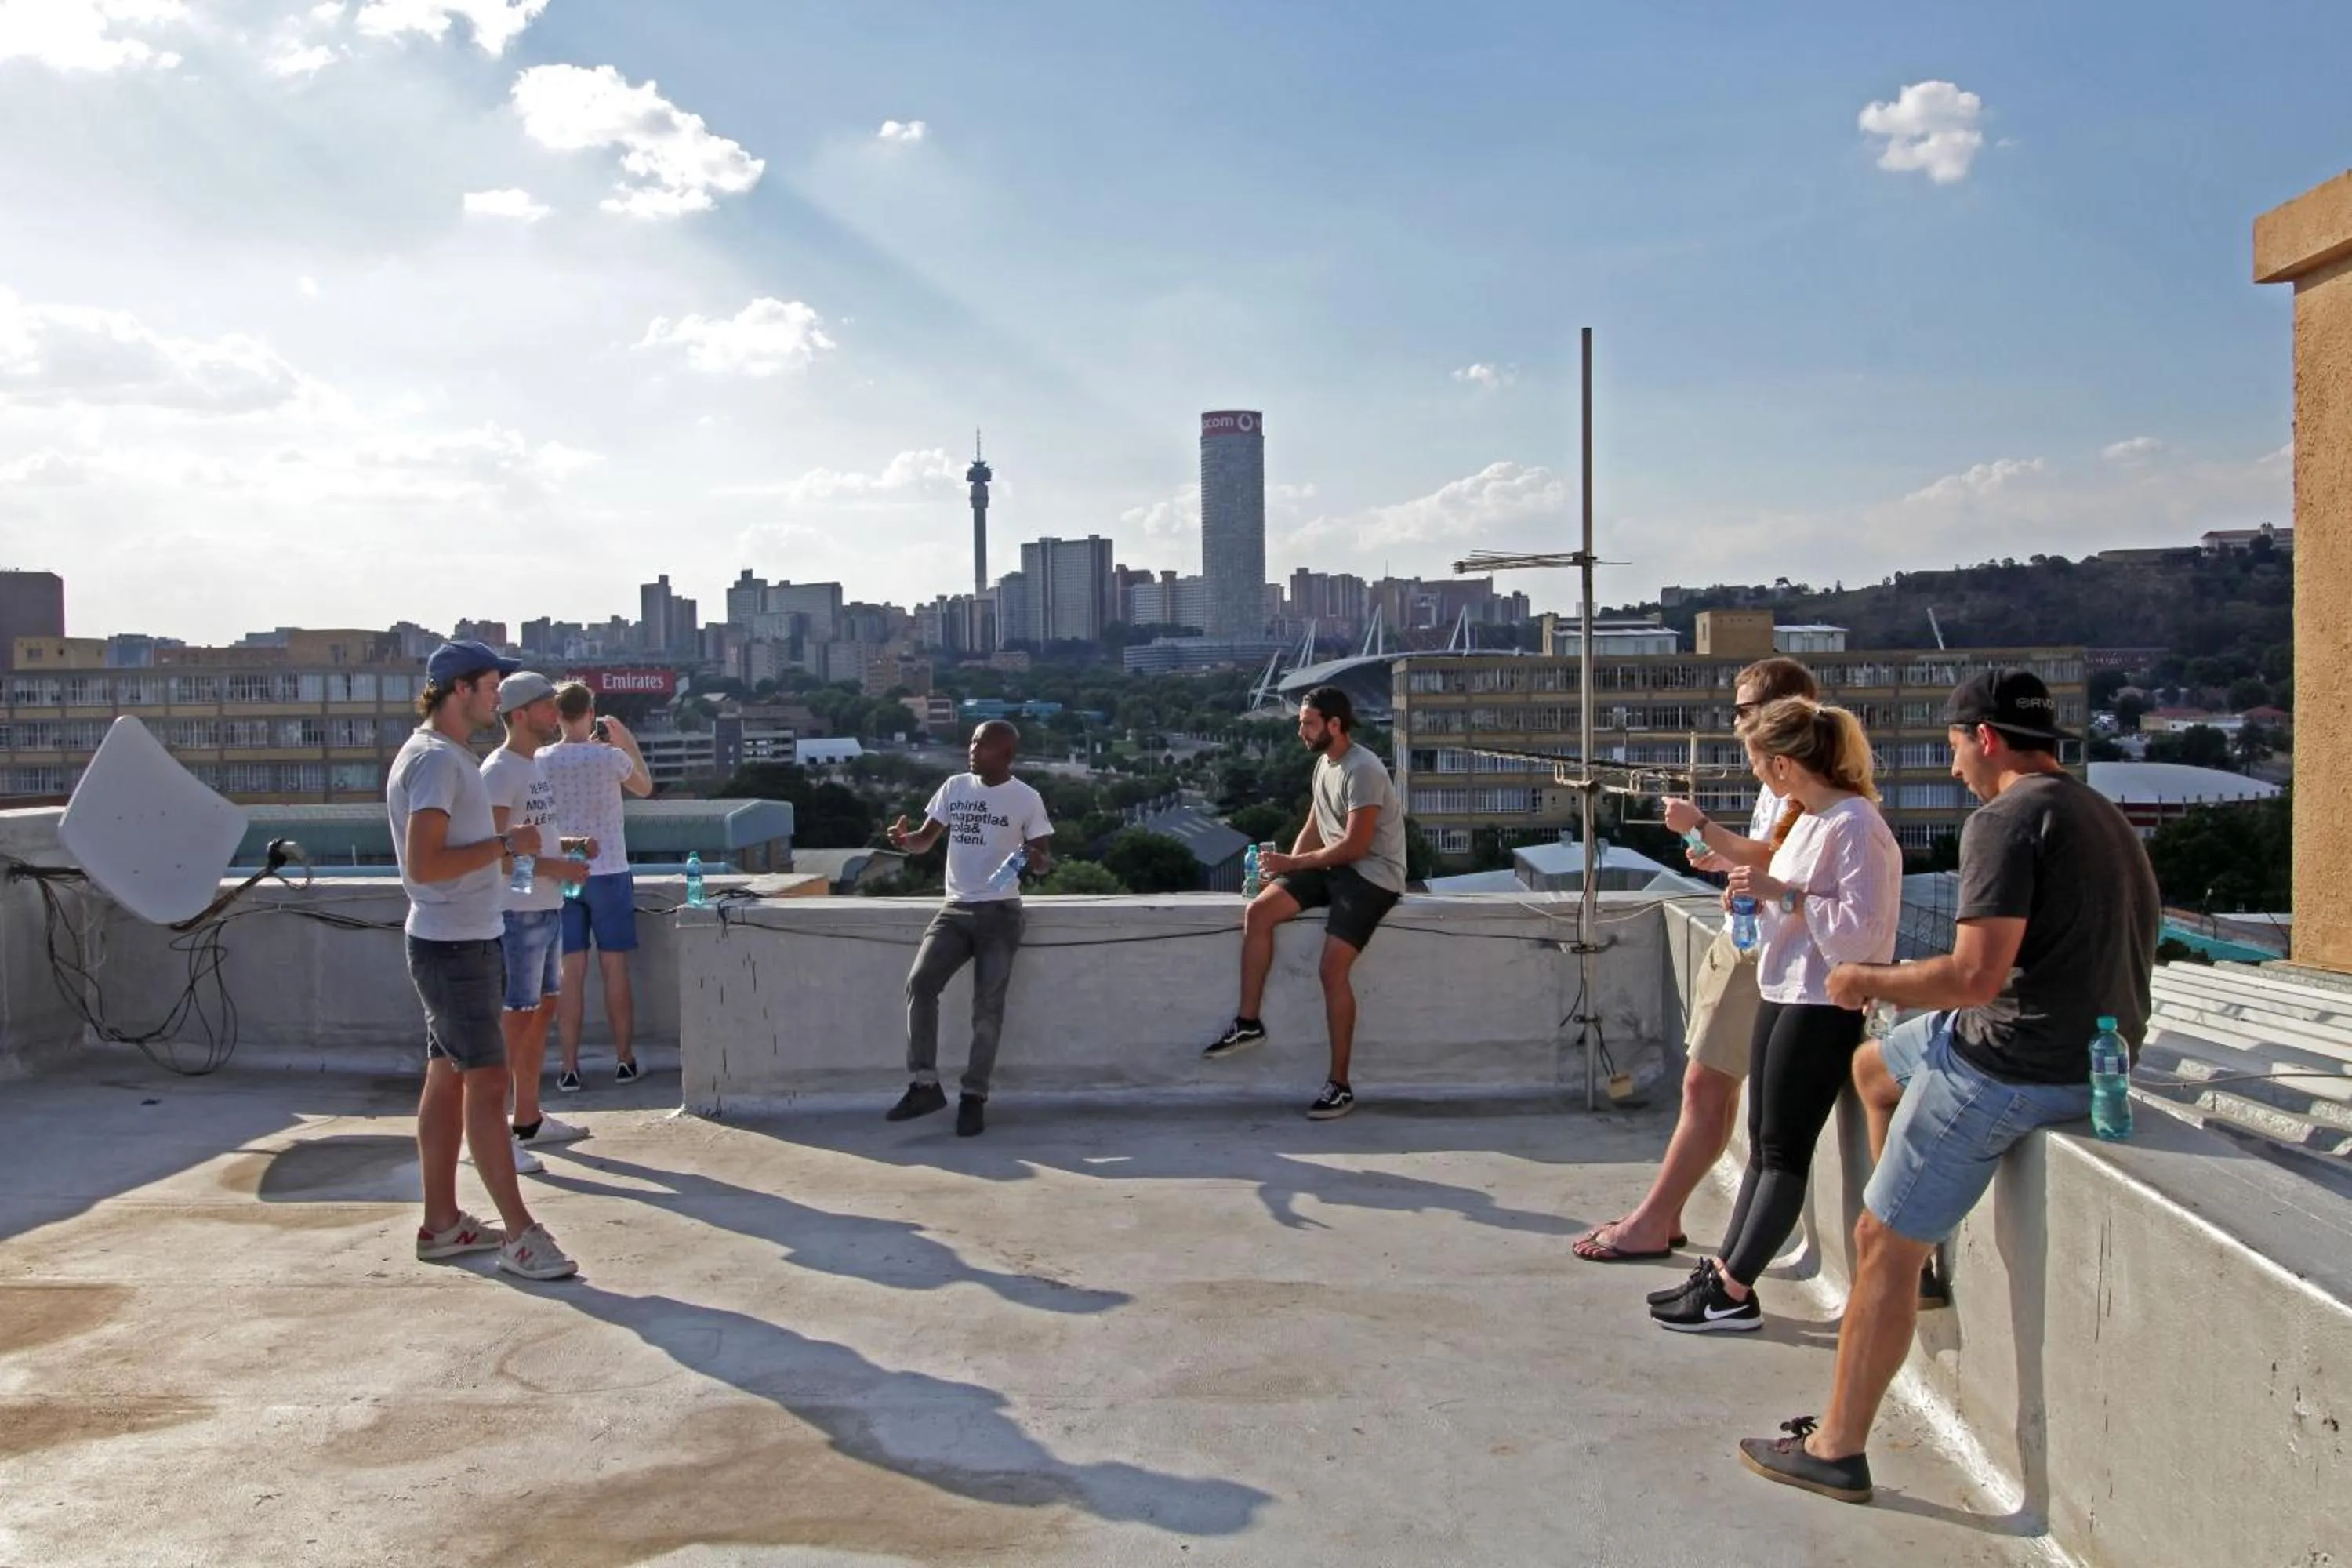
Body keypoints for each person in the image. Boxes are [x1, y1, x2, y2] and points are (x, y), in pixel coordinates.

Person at [1738, 670, 2158, 1504]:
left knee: (1876, 1239)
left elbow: (1972, 978)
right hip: (2091, 1047)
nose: (1955, 761)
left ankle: (1837, 1446)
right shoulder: (2100, 811)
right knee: (1871, 1067)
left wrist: (1867, 977)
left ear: (1988, 738)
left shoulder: (2005, 820)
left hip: (2012, 1063)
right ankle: (1922, 1258)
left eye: (1957, 743)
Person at [1648, 698, 1902, 1333]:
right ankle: (1726, 1270)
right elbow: (1791, 907)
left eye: (1760, 765)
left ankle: (1733, 1291)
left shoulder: (1854, 823)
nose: (1757, 776)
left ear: (1785, 765)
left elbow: (1861, 936)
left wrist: (1781, 895)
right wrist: (1750, 889)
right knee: (1762, 1144)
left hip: (1823, 1004)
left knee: (1784, 1150)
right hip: (1784, 988)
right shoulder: (1808, 818)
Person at [1574, 657, 1820, 1264]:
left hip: (1766, 950)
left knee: (1704, 1085)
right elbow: (1769, 859)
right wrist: (1725, 861)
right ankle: (1665, 1216)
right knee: (1708, 1086)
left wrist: (1702, 825)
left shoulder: (1800, 780)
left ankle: (1654, 1222)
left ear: (1772, 711)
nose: (1734, 722)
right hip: (1757, 939)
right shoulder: (1782, 782)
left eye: (1741, 709)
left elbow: (1775, 857)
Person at [388, 640, 575, 1281]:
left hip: (456, 936)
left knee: (447, 1075)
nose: (499, 699)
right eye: (492, 687)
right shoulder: (439, 762)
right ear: (461, 689)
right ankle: (520, 1234)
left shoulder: (440, 757)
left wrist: (516, 850)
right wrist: (508, 843)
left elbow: (447, 857)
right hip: (455, 944)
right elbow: (425, 862)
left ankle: (442, 1223)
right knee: (488, 1081)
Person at [1201, 684, 1407, 1121]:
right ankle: (1249, 1022)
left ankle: (1340, 1086)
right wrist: (1287, 870)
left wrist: (1295, 861)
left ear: (1335, 724)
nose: (1302, 732)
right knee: (1259, 912)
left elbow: (1355, 846)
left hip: (1372, 876)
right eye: (1301, 724)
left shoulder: (1364, 769)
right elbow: (1316, 827)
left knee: (1331, 969)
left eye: (1308, 724)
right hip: (1332, 868)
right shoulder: (1324, 765)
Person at [883, 720, 1054, 1138]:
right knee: (920, 984)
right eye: (973, 741)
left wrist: (1034, 858)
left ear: (1007, 754)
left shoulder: (1027, 799)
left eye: (982, 744)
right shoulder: (954, 787)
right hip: (955, 910)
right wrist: (906, 842)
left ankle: (974, 1097)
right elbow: (926, 839)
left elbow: (1045, 859)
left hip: (1000, 914)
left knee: (987, 1009)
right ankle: (924, 1085)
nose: (972, 749)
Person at [479, 671, 597, 1170]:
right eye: (547, 707)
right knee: (516, 1018)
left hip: (545, 907)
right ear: (520, 714)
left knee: (542, 1010)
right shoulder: (500, 770)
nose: (556, 714)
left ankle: (527, 1118)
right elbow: (494, 854)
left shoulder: (531, 767)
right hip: (517, 912)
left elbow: (531, 838)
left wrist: (568, 846)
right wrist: (559, 866)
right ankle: (493, 1134)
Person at [539, 681, 653, 1093]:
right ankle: (624, 1060)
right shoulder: (609, 758)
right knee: (614, 968)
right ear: (591, 713)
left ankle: (568, 1067)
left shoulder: (541, 759)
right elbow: (644, 787)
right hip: (609, 870)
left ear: (556, 716)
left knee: (571, 972)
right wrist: (628, 742)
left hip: (563, 873)